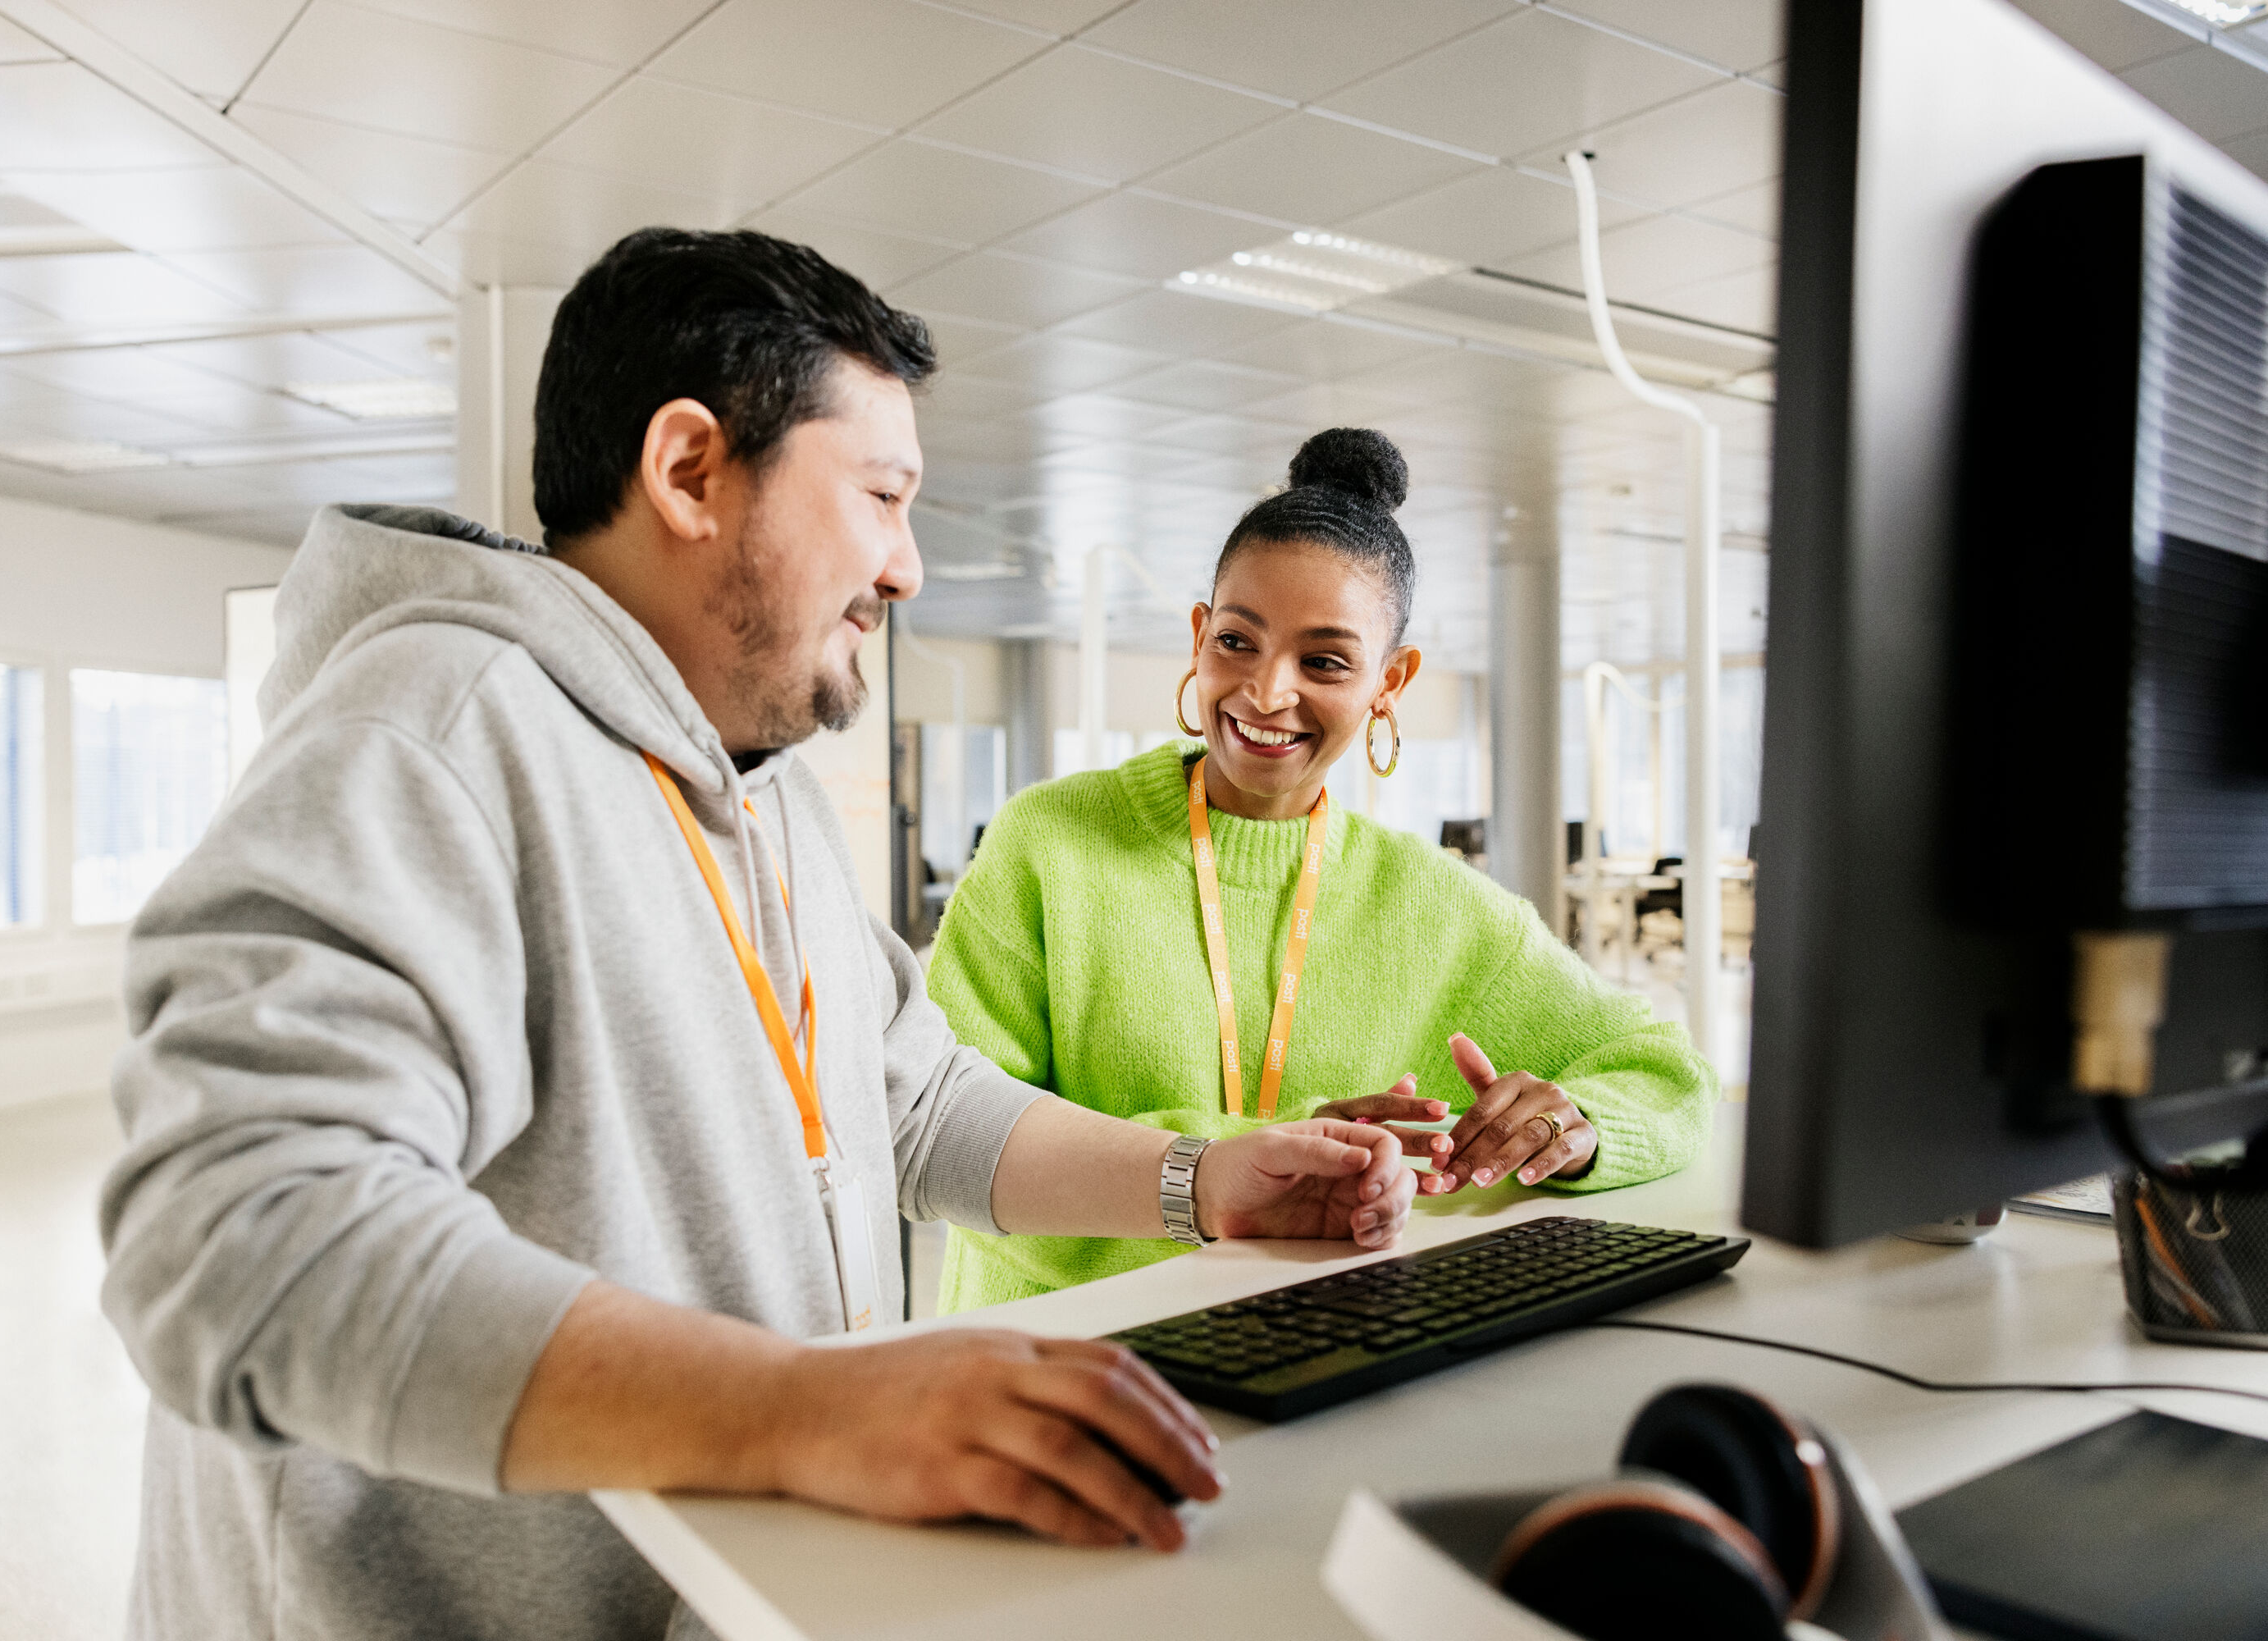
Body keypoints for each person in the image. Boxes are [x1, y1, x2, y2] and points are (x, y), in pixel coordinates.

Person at [96, 230, 1421, 1641]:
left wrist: (1201, 1182)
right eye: (880, 498)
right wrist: (798, 1411)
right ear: (687, 470)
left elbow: (905, 1101)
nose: (906, 568)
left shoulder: (752, 784)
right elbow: (231, 1239)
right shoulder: (429, 735)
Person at [927, 427, 1718, 1313]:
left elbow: (1669, 1071)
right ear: (1197, 635)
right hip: (1047, 1357)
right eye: (1237, 640)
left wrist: (1572, 1127)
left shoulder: (1435, 905)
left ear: (1390, 681)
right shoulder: (1048, 845)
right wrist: (1248, 1157)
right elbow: (953, 1144)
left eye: (1325, 661)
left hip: (1293, 1353)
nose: (1266, 692)